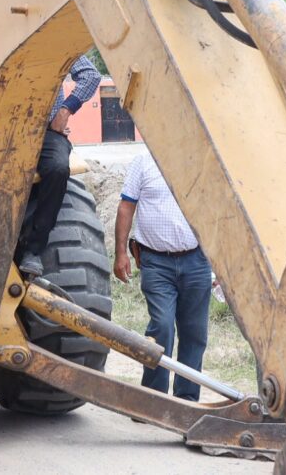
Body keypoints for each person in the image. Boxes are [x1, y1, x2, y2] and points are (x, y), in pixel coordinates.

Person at [113, 151, 211, 401]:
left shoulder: (200, 161)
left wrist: (220, 261)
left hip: (196, 260)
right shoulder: (143, 162)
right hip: (156, 262)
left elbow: (217, 211)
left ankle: (186, 401)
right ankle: (153, 399)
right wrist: (120, 253)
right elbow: (126, 207)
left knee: (194, 333)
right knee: (162, 327)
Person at [16, 55, 101, 276]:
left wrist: (65, 111)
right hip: (3, 130)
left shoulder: (56, 37)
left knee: (57, 168)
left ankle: (33, 249)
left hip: (47, 131)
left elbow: (90, 75)